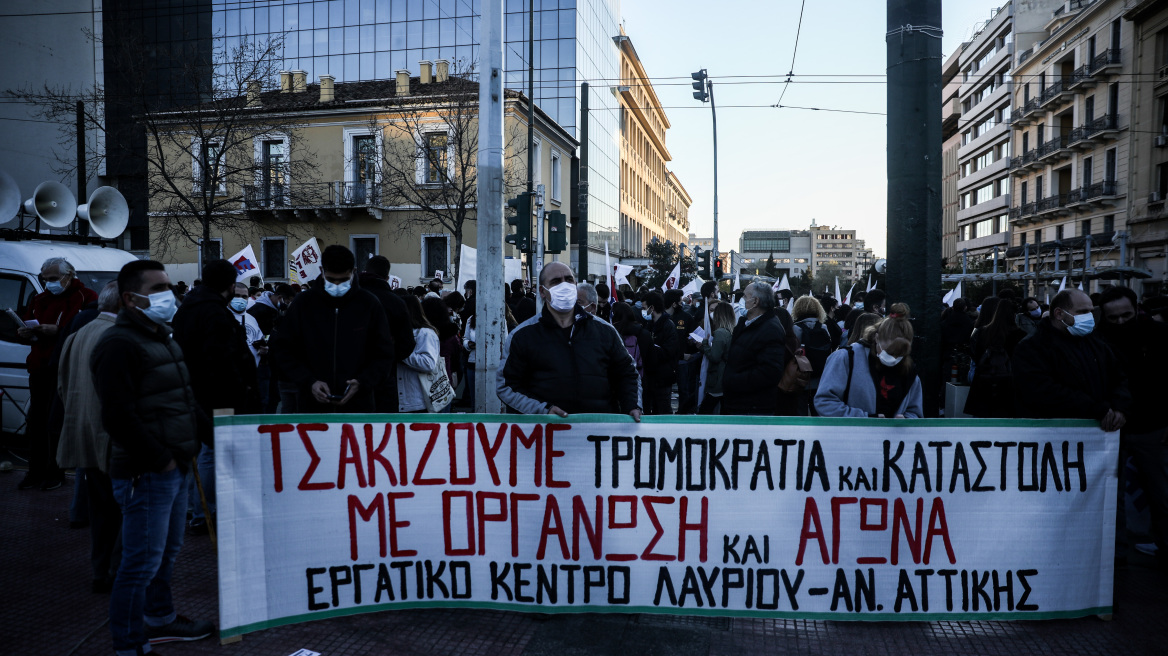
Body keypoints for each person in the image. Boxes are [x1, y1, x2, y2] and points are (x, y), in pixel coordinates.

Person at [92, 260, 215, 653]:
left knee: (166, 552)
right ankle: (129, 643)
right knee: (139, 564)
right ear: (132, 298)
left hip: (174, 468)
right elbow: (117, 416)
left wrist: (215, 435)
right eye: (159, 288)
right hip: (146, 473)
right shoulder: (118, 345)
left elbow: (182, 400)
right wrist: (160, 459)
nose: (170, 294)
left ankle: (160, 618)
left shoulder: (162, 336)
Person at [497, 262, 641, 419]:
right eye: (556, 281)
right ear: (542, 291)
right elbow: (506, 386)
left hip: (599, 432)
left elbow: (627, 373)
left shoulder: (605, 331)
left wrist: (632, 405)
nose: (564, 285)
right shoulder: (522, 336)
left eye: (569, 279)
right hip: (546, 433)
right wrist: (543, 410)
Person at [269, 245, 394, 413]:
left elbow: (384, 353)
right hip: (311, 407)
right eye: (331, 279)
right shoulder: (303, 304)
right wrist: (309, 381)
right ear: (321, 270)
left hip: (359, 407)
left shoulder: (369, 304)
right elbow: (283, 350)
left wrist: (363, 382)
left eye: (343, 280)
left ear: (353, 272)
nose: (336, 285)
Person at [56, 282, 123, 593]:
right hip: (114, 440)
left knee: (101, 513)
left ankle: (101, 569)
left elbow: (62, 386)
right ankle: (116, 571)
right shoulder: (118, 337)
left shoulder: (78, 334)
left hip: (87, 436)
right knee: (124, 513)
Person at [1096, 285, 1168, 563]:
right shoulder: (1098, 339)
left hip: (1153, 425)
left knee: (1161, 495)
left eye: (1125, 315)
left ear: (1136, 309)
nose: (1120, 322)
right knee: (1110, 498)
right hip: (1112, 427)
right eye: (1113, 318)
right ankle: (1115, 558)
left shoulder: (1159, 335)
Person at [17, 257, 98, 491]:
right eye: (45, 279)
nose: (48, 284)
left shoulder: (86, 297)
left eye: (53, 279)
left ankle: (56, 471)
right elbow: (27, 320)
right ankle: (35, 471)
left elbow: (86, 330)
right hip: (39, 366)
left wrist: (58, 331)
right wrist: (23, 332)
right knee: (36, 422)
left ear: (68, 275)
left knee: (57, 422)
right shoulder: (39, 298)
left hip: (66, 368)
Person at [1012, 289, 1130, 430]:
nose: (1089, 316)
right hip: (1056, 434)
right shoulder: (1032, 347)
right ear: (1059, 314)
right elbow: (1042, 391)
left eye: (1091, 311)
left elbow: (1118, 377)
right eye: (1082, 312)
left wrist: (1120, 407)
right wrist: (1096, 409)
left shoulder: (1096, 342)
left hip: (1101, 434)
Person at [815, 303, 924, 418]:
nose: (894, 358)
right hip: (852, 434)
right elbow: (825, 402)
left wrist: (906, 420)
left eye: (900, 354)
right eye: (890, 351)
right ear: (877, 338)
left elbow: (914, 412)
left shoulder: (909, 371)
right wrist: (866, 419)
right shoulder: (845, 358)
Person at [358, 256, 416, 411]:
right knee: (383, 427)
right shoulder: (395, 302)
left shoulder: (349, 298)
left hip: (349, 377)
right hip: (385, 376)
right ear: (387, 277)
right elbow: (407, 344)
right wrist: (388, 354)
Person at [721, 281, 786, 416]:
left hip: (752, 407)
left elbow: (769, 372)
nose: (742, 300)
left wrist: (734, 381)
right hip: (738, 403)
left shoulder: (771, 329)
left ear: (755, 301)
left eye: (745, 296)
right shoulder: (746, 323)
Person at [963, 299, 1025, 418]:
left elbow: (973, 354)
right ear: (1014, 315)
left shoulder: (981, 332)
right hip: (1009, 387)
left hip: (983, 383)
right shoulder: (1020, 335)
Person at [397, 295, 443, 413]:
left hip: (417, 400)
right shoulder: (399, 332)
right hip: (403, 400)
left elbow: (428, 363)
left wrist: (402, 353)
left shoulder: (424, 333)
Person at [791, 296, 835, 416]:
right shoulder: (823, 327)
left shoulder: (795, 328)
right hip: (820, 377)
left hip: (801, 377)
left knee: (800, 412)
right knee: (818, 412)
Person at [640, 292, 678, 415]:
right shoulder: (648, 325)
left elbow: (669, 351)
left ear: (652, 308)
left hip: (663, 377)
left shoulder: (668, 326)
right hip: (649, 377)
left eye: (644, 308)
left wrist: (651, 347)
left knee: (663, 410)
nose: (643, 311)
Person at [695, 302, 734, 415]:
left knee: (705, 410)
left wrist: (705, 344)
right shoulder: (729, 331)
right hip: (724, 375)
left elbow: (715, 357)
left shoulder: (720, 333)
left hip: (717, 378)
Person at [611, 301, 653, 381]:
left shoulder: (611, 334)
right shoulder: (644, 333)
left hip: (617, 381)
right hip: (640, 379)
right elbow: (651, 361)